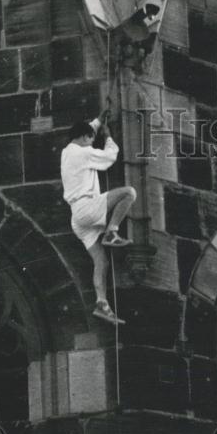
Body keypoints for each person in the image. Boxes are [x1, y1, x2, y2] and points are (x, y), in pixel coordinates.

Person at [60, 112, 137, 325]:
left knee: (100, 260)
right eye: (91, 139)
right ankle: (112, 231)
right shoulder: (84, 153)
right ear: (84, 139)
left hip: (78, 218)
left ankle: (102, 303)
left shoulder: (67, 152)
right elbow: (110, 157)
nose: (92, 142)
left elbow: (86, 132)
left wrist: (97, 121)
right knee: (129, 193)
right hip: (87, 208)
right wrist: (109, 136)